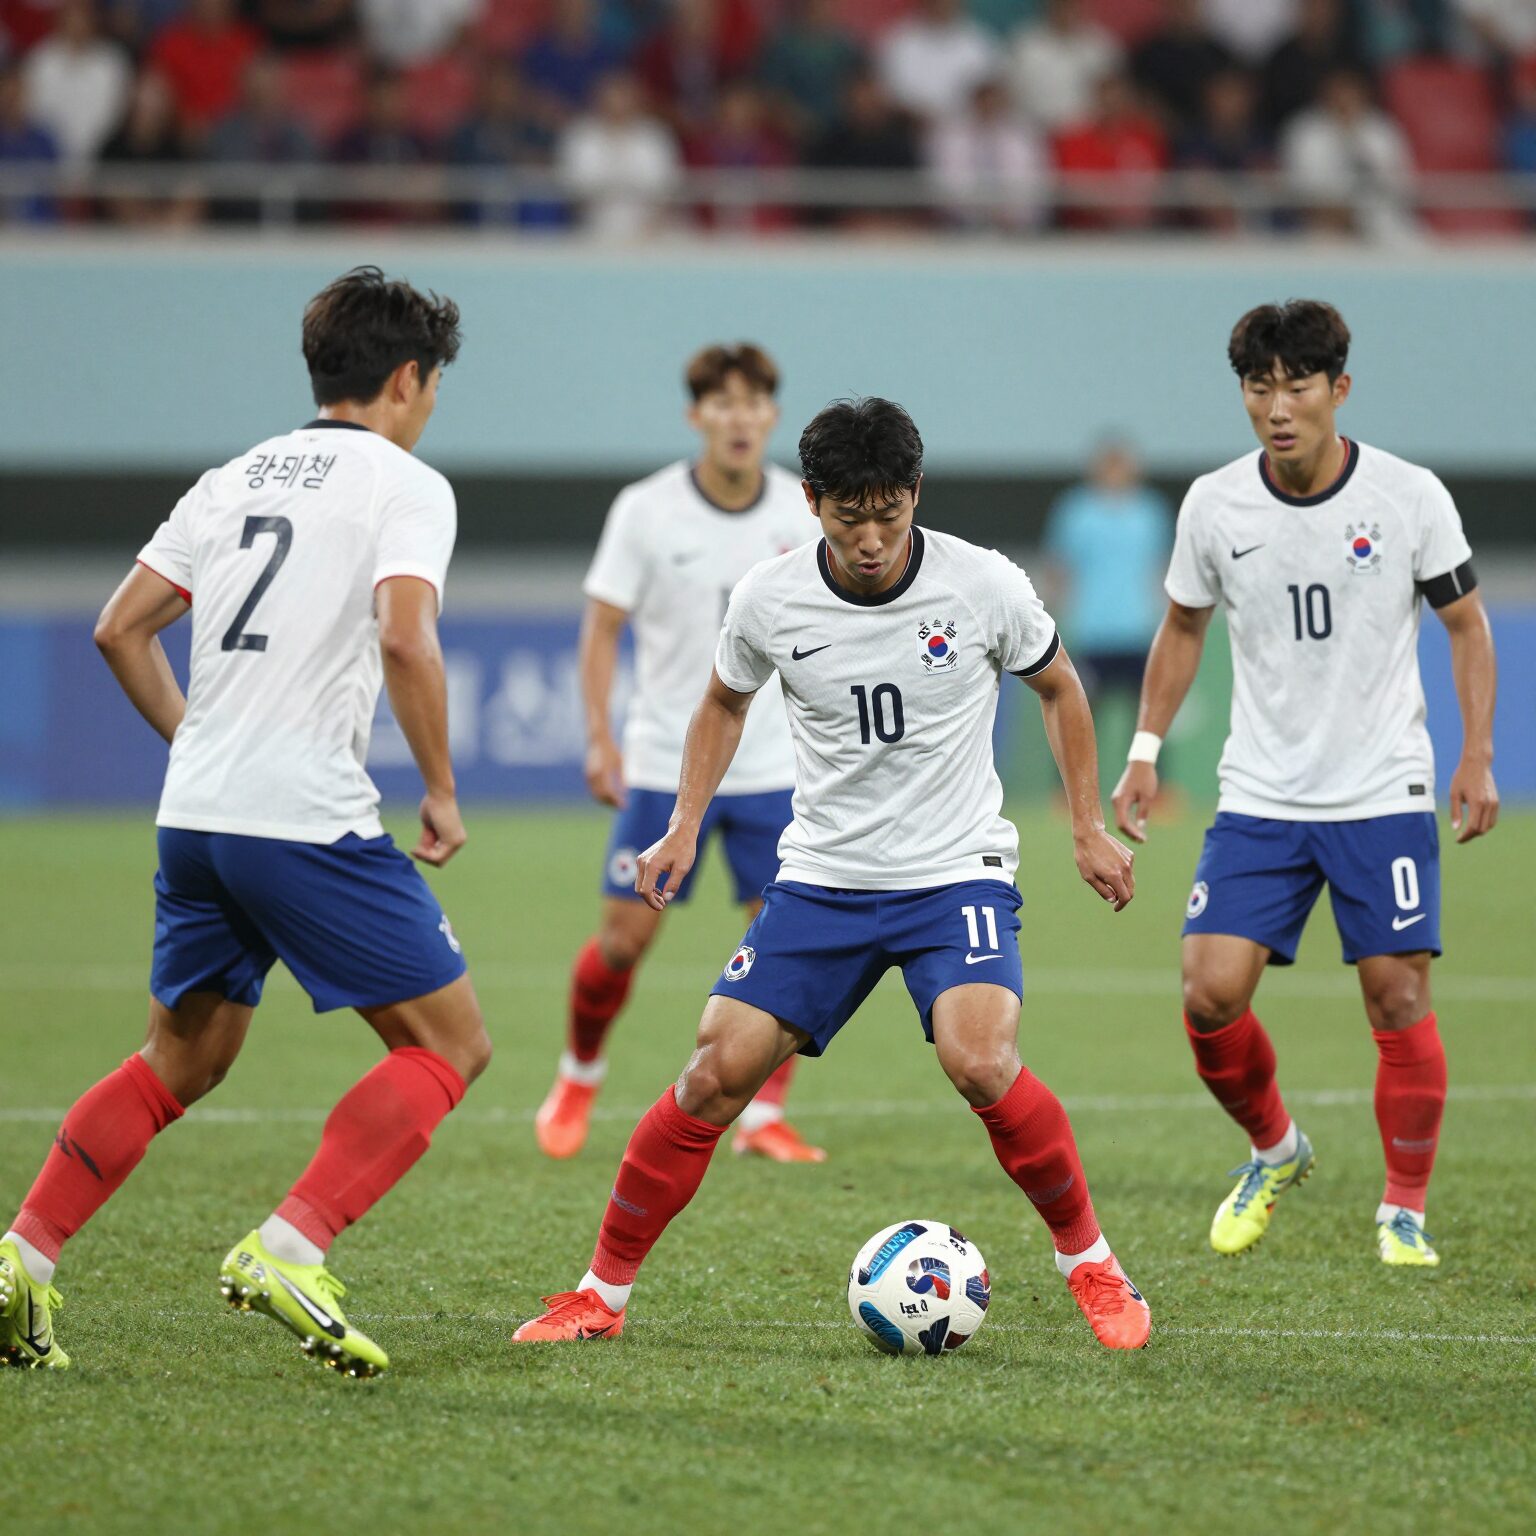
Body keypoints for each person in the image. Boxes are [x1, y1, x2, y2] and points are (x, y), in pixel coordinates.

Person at [514, 396, 1150, 1351]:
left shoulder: (984, 585)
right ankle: (599, 1295)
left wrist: (1087, 826)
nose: (871, 539)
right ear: (811, 501)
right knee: (711, 1075)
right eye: (850, 517)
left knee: (980, 1060)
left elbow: (1060, 686)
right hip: (824, 878)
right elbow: (722, 703)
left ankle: (1091, 1264)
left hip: (954, 875)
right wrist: (684, 824)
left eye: (889, 514)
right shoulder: (769, 597)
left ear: (915, 493)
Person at [0, 267, 490, 1377]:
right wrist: (442, 787)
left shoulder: (231, 480)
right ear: (407, 379)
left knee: (181, 1059)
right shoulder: (406, 484)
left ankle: (23, 1255)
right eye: (433, 385)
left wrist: (199, 741)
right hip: (303, 815)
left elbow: (119, 629)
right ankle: (292, 1244)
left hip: (198, 814)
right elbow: (406, 636)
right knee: (450, 1044)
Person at [1111, 300, 1498, 1270]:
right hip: (1261, 794)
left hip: (1381, 789)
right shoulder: (1214, 505)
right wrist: (1145, 749)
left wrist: (1477, 754)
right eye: (1259, 387)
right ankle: (1276, 1149)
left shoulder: (1408, 496)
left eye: (1298, 386)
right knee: (1208, 993)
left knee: (1397, 999)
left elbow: (1466, 626)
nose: (1278, 408)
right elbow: (1183, 626)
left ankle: (1403, 1209)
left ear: (1339, 389)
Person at [535, 344, 824, 1166]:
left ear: (772, 415)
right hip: (668, 763)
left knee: (787, 943)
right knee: (623, 942)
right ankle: (577, 1076)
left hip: (775, 767)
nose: (739, 418)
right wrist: (600, 735)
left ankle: (764, 1117)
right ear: (696, 415)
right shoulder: (646, 509)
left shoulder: (802, 511)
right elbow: (602, 626)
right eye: (722, 403)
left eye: (754, 403)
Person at [1042, 440, 1172, 716]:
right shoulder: (1076, 512)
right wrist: (1048, 623)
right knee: (1080, 716)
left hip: (1138, 633)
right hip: (1092, 634)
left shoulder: (1150, 512)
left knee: (1147, 720)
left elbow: (1161, 570)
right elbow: (1059, 570)